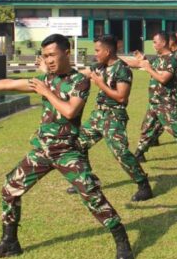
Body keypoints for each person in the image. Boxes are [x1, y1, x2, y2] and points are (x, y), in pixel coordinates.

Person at [0, 34, 133, 259]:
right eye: (45, 56)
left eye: (52, 54)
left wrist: (46, 92)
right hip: (42, 151)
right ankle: (10, 242)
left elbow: (70, 111)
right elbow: (11, 84)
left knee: (92, 194)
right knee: (10, 188)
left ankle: (121, 240)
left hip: (67, 152)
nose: (48, 60)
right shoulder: (45, 79)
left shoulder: (78, 81)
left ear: (66, 52)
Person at [65, 34, 153, 202]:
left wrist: (100, 84)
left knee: (120, 152)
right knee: (76, 145)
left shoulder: (122, 69)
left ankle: (144, 185)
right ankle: (89, 180)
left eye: (98, 50)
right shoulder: (98, 67)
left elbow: (121, 97)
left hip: (114, 116)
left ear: (108, 50)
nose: (95, 53)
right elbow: (79, 75)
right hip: (98, 115)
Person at [130, 33, 177, 169]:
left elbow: (163, 79)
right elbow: (139, 64)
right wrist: (119, 61)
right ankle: (139, 153)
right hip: (155, 100)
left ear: (164, 42)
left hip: (165, 101)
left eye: (155, 42)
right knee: (147, 128)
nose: (153, 44)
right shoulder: (158, 59)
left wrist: (148, 68)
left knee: (175, 128)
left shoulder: (172, 59)